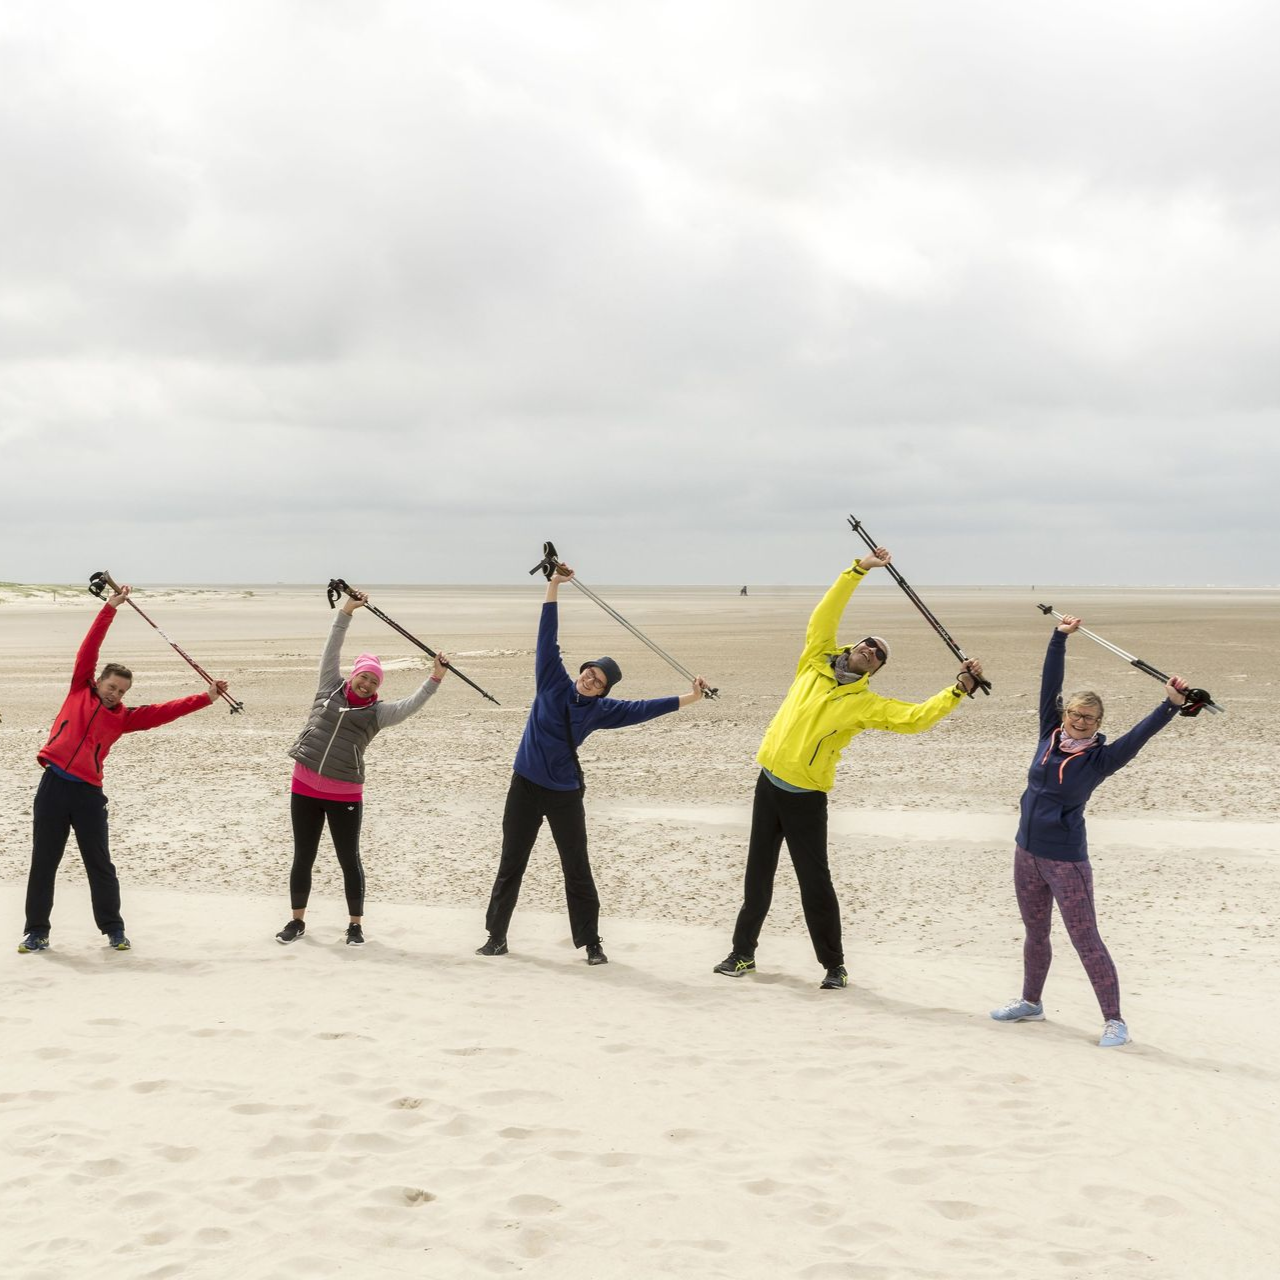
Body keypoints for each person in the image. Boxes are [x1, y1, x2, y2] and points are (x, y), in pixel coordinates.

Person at [714, 546, 984, 990]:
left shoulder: (863, 703)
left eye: (878, 654)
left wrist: (958, 689)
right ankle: (741, 954)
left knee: (814, 884)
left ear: (875, 669)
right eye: (868, 643)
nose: (870, 650)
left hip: (806, 798)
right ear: (855, 646)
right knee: (756, 878)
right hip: (768, 784)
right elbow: (824, 615)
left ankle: (833, 967)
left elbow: (915, 719)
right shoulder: (814, 661)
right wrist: (858, 570)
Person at [477, 564, 709, 965]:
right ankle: (496, 937)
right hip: (525, 786)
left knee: (576, 867)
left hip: (564, 794)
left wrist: (691, 698)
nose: (589, 679)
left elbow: (643, 708)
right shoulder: (552, 680)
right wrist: (554, 586)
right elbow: (547, 636)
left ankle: (591, 943)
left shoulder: (602, 711)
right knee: (511, 861)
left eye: (598, 680)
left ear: (604, 690)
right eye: (589, 672)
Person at [989, 614, 1188, 1048]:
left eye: (1091, 717)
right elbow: (1049, 681)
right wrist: (1058, 637)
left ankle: (1115, 1021)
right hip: (1026, 853)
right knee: (1035, 933)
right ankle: (1030, 1002)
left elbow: (1139, 736)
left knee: (1085, 938)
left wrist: (1170, 704)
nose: (1081, 721)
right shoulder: (1048, 732)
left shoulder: (1101, 759)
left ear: (1099, 722)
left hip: (1065, 860)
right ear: (1066, 713)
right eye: (1077, 713)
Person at [19, 585, 229, 954]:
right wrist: (110, 608)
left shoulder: (123, 719)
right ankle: (36, 931)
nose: (115, 693)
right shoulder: (78, 691)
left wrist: (206, 698)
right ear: (98, 681)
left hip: (87, 795)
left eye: (121, 690)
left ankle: (114, 930)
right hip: (52, 787)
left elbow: (164, 711)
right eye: (111, 686)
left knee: (100, 865)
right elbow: (89, 649)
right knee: (44, 864)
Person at [276, 590, 449, 948]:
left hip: (344, 793)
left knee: (348, 859)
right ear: (354, 675)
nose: (367, 684)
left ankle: (355, 926)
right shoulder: (328, 687)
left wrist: (434, 679)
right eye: (364, 677)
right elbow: (331, 649)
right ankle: (296, 922)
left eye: (373, 681)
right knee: (302, 856)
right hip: (304, 785)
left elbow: (410, 705)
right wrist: (346, 613)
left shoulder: (378, 712)